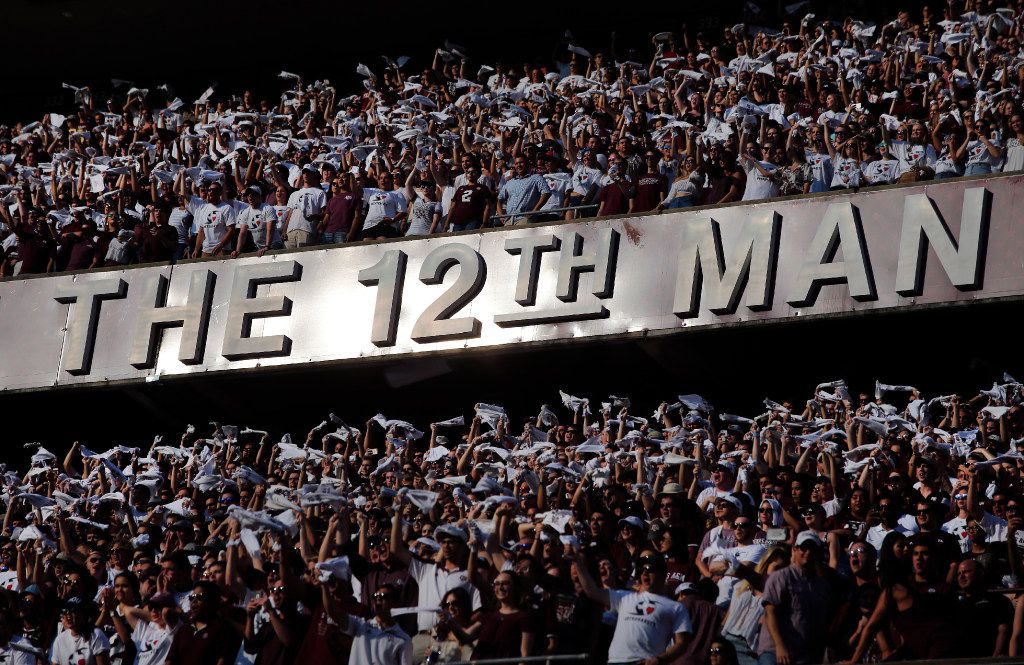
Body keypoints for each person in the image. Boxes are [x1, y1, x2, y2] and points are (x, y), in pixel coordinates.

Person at [571, 546, 692, 665]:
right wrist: (577, 561)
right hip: (615, 661)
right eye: (642, 569)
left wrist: (659, 660)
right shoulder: (624, 597)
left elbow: (681, 643)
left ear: (662, 573)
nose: (645, 572)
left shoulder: (676, 607)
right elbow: (592, 591)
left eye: (650, 568)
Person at [757, 531, 832, 665]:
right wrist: (780, 646)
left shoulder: (822, 585)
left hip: (803, 655)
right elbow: (770, 613)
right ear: (795, 549)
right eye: (803, 548)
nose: (808, 552)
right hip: (774, 652)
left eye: (812, 548)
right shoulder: (780, 577)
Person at [332, 582, 411, 665]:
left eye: (383, 596)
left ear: (395, 603)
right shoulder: (360, 625)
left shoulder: (403, 639)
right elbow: (333, 612)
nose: (378, 599)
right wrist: (324, 586)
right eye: (375, 596)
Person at [282, 167, 327, 249]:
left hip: (307, 230)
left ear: (314, 175)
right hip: (290, 231)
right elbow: (290, 214)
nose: (306, 175)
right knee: (289, 259)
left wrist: (315, 217)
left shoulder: (320, 192)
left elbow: (324, 213)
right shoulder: (294, 194)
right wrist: (285, 231)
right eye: (304, 173)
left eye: (308, 173)